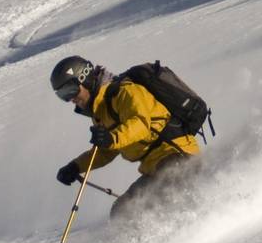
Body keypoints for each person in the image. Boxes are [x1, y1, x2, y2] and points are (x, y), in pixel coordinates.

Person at [50, 55, 201, 221]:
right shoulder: (100, 111)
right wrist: (75, 167)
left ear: (84, 79)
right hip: (153, 168)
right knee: (122, 212)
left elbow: (141, 124)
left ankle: (198, 225)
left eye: (70, 90)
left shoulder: (124, 91)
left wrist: (112, 138)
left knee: (168, 192)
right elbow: (106, 151)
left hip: (176, 155)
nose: (71, 99)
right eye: (63, 95)